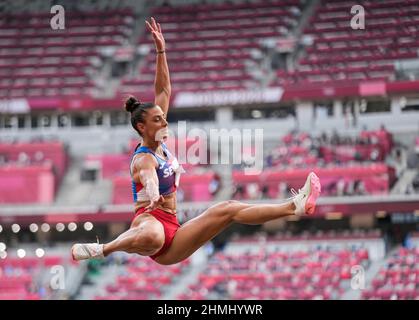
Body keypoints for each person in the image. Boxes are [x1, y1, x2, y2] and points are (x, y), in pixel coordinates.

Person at [71, 18, 321, 266]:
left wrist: (161, 51)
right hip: (149, 222)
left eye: (163, 117)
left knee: (228, 209)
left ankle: (294, 206)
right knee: (153, 234)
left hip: (174, 232)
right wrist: (155, 191)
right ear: (142, 127)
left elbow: (164, 90)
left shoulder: (159, 140)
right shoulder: (143, 158)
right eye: (158, 120)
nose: (165, 122)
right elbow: (148, 178)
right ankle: (102, 249)